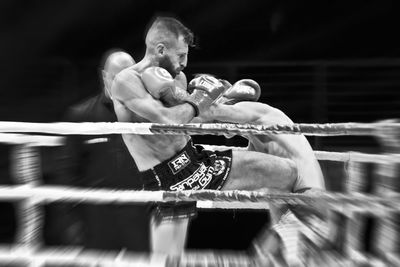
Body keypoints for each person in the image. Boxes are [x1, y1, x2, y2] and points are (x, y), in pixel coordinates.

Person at [110, 16, 301, 256]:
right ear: (160, 50)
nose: (185, 62)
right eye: (180, 55)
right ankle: (269, 255)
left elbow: (191, 117)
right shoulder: (127, 80)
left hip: (194, 162)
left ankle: (272, 253)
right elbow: (169, 120)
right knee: (168, 261)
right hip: (166, 177)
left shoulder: (176, 78)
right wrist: (201, 98)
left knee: (287, 173)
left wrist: (225, 107)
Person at [48, 50, 151, 251]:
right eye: (117, 78)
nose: (123, 85)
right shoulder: (81, 115)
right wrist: (69, 220)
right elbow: (66, 171)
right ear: (104, 76)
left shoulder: (148, 115)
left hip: (140, 215)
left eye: (129, 77)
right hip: (97, 217)